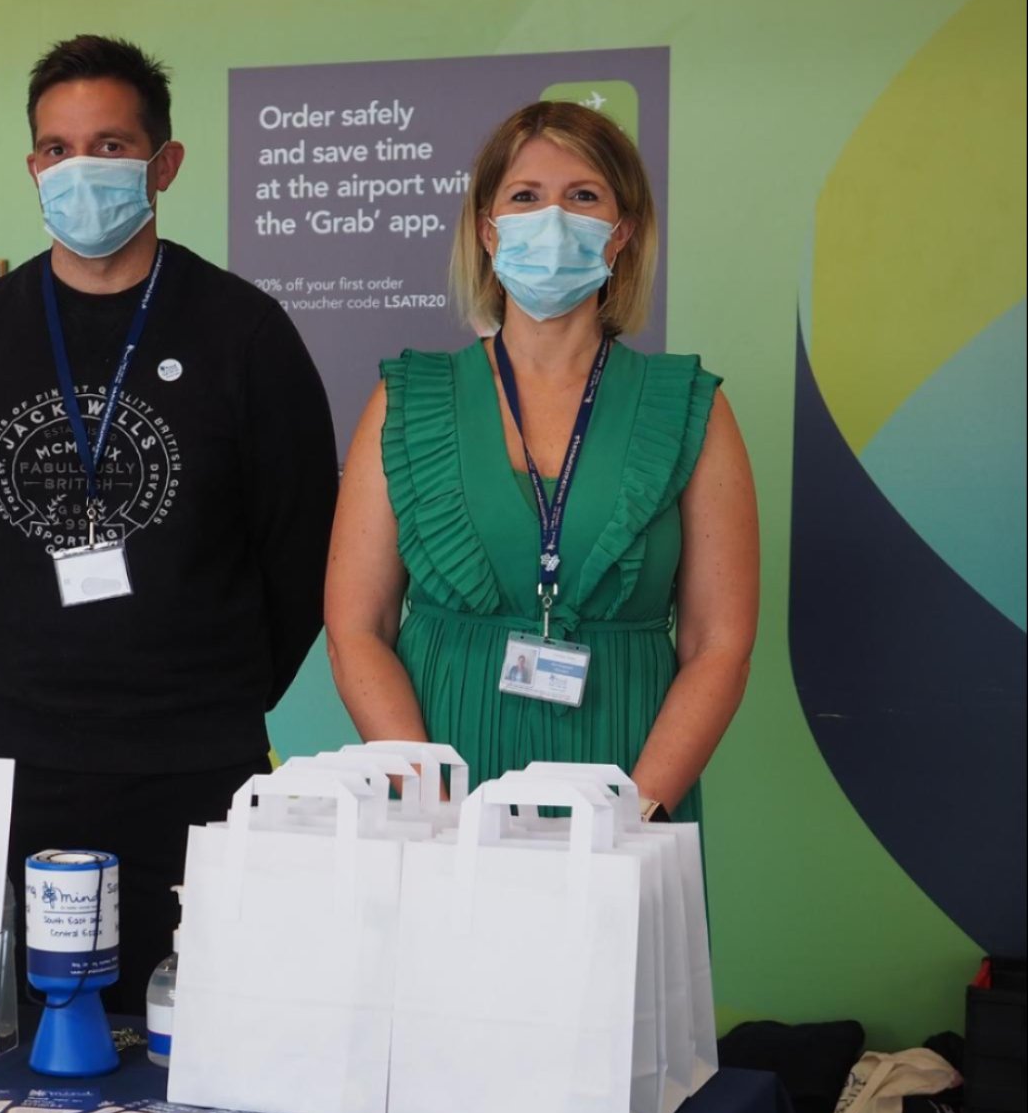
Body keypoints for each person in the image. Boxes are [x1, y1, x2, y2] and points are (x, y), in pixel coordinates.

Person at [0, 35, 339, 1011]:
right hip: (17, 765)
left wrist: (206, 689)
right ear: (32, 168)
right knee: (15, 1060)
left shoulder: (245, 332)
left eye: (109, 145)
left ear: (165, 162)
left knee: (202, 1057)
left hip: (198, 771)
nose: (80, 171)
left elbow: (298, 547)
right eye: (57, 150)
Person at [324, 101, 757, 823]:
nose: (552, 217)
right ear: (489, 231)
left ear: (622, 234)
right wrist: (428, 800)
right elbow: (355, 627)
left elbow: (721, 645)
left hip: (625, 789)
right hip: (438, 793)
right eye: (525, 196)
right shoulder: (407, 399)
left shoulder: (688, 407)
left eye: (582, 196)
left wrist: (634, 813)